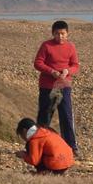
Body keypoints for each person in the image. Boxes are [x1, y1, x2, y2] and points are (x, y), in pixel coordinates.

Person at [34, 20, 80, 153]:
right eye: (57, 34)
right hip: (47, 86)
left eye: (63, 34)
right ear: (53, 34)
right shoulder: (46, 45)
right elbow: (38, 63)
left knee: (66, 115)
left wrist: (68, 71)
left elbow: (75, 65)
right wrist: (51, 71)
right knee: (45, 116)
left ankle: (71, 146)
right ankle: (39, 145)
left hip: (64, 86)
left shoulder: (71, 47)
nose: (60, 36)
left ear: (67, 34)